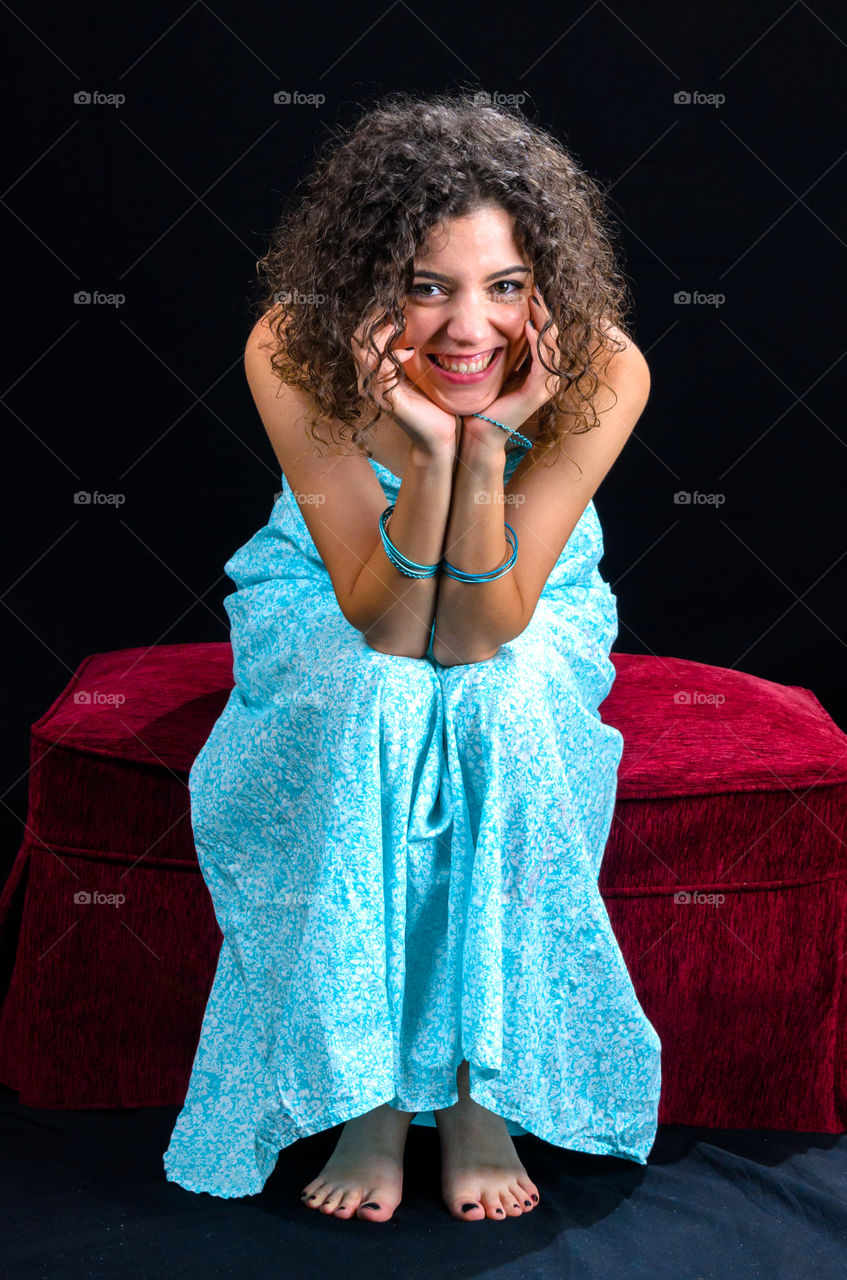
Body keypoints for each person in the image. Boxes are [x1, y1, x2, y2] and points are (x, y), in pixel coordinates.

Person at [163, 88, 661, 1223]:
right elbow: (389, 622)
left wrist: (483, 454)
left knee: (495, 698)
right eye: (425, 287)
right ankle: (369, 1091)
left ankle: (482, 1082)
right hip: (335, 593)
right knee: (378, 694)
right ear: (369, 285)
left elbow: (484, 627)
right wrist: (431, 456)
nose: (467, 329)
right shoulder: (293, 343)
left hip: (524, 596)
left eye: (503, 287)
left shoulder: (602, 366)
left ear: (546, 289)